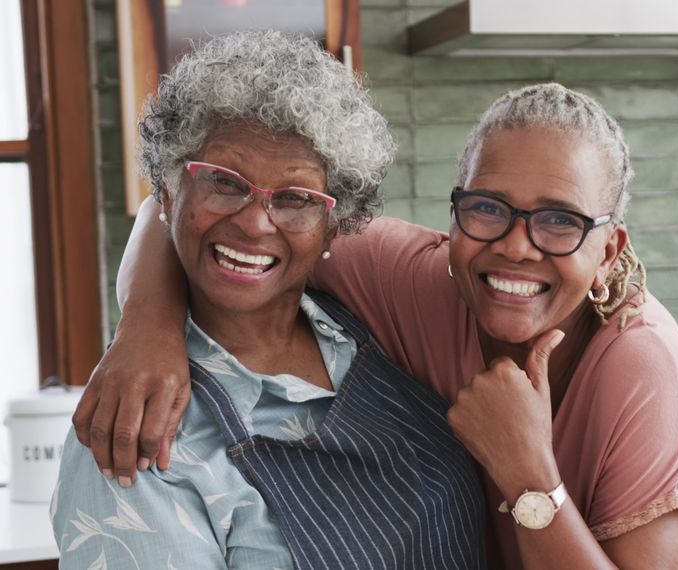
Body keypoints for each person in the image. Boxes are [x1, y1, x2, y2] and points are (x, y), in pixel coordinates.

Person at [76, 83, 678, 569]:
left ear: (609, 248)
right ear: (455, 209)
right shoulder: (412, 275)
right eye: (489, 207)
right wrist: (146, 331)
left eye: (560, 220)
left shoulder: (638, 358)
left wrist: (526, 470)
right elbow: (194, 214)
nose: (518, 246)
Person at [51, 30, 486, 569]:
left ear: (333, 227)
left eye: (296, 198)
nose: (255, 223)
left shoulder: (369, 322)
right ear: (167, 190)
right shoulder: (131, 429)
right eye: (224, 182)